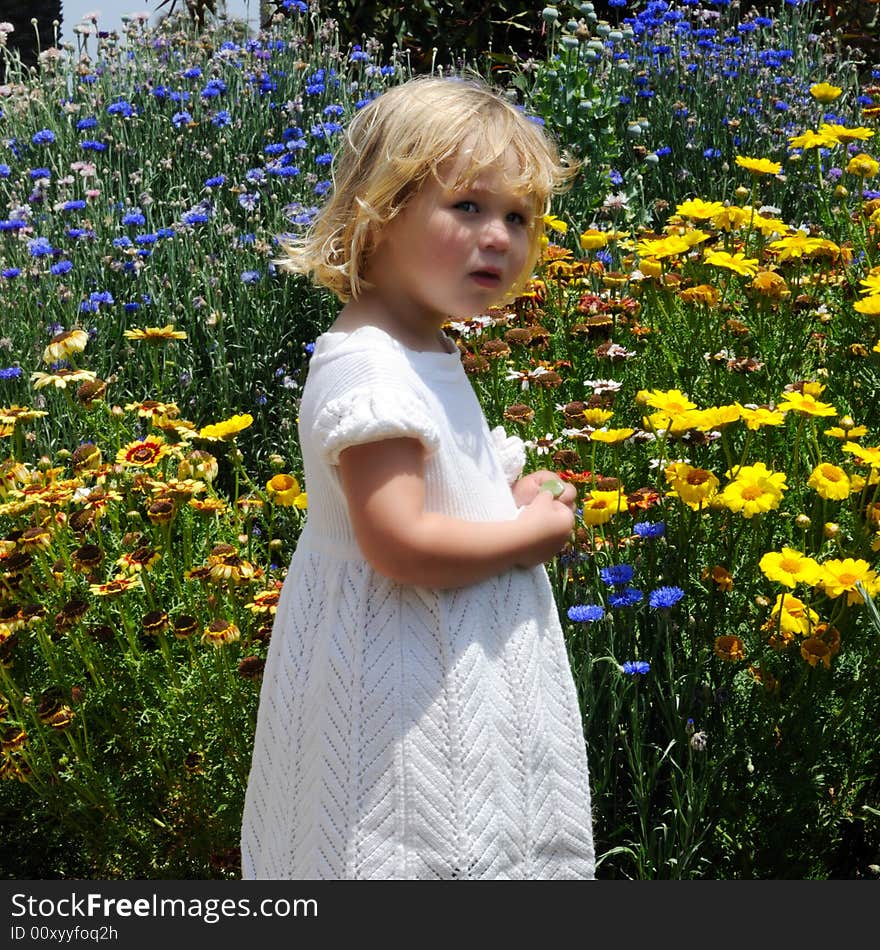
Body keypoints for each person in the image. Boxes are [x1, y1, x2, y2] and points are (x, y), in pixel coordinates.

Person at [240, 74, 595, 880]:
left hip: (442, 668)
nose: (499, 236)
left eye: (519, 217)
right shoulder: (372, 368)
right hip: (399, 697)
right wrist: (527, 536)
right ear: (378, 212)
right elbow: (398, 541)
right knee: (407, 852)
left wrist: (502, 501)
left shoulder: (422, 348)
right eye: (467, 206)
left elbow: (435, 499)